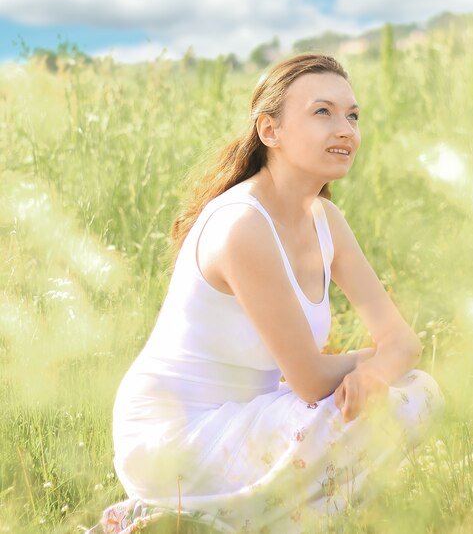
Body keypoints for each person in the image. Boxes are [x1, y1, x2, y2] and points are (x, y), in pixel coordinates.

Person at [86, 53, 445, 533]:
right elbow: (311, 379)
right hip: (175, 435)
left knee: (418, 392)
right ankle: (189, 517)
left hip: (247, 416)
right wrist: (372, 362)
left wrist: (380, 369)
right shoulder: (242, 224)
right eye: (323, 112)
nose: (345, 129)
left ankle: (222, 524)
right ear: (269, 131)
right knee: (373, 407)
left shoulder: (326, 221)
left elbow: (404, 343)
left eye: (352, 115)